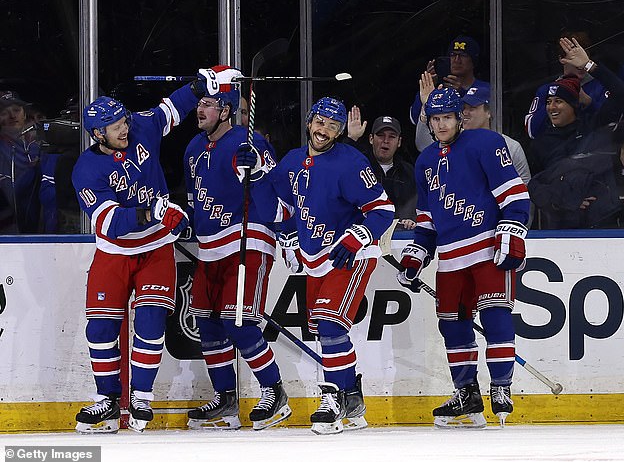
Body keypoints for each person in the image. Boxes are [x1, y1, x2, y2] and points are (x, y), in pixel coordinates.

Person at [71, 67, 219, 433]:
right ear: (97, 134)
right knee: (101, 330)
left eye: (123, 121)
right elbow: (109, 222)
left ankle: (140, 397)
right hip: (114, 254)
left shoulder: (140, 127)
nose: (124, 128)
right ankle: (107, 400)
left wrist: (201, 84)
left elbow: (172, 107)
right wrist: (152, 211)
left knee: (151, 325)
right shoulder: (86, 169)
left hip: (156, 251)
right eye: (116, 126)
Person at [237, 97, 394, 434]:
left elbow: (383, 209)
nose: (325, 130)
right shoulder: (293, 161)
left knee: (330, 325)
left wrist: (359, 236)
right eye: (321, 122)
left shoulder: (350, 162)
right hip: (315, 259)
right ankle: (352, 400)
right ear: (310, 122)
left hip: (349, 254)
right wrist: (255, 176)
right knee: (324, 330)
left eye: (333, 126)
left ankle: (336, 396)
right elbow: (277, 213)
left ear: (339, 132)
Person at [397, 86, 530, 428]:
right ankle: (466, 393)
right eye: (435, 119)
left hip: (487, 248)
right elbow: (426, 220)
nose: (441, 125)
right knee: (452, 327)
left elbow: (514, 195)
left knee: (495, 315)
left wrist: (512, 229)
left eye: (446, 118)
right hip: (451, 259)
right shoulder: (425, 162)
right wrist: (417, 254)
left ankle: (501, 388)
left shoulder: (485, 143)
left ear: (459, 117)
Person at [183, 65, 291, 431]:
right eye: (200, 102)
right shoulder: (193, 148)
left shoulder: (251, 143)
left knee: (238, 321)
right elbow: (195, 199)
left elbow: (280, 193)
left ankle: (275, 392)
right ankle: (226, 401)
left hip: (248, 243)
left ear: (227, 110)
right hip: (209, 250)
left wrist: (257, 168)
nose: (201, 109)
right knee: (208, 325)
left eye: (210, 103)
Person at [528, 37, 624, 229]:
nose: (551, 107)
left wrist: (589, 65)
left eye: (559, 101)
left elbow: (620, 92)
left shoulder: (594, 126)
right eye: (549, 102)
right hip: (560, 228)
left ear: (574, 104)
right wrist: (567, 202)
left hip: (603, 225)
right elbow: (535, 187)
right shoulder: (541, 143)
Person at [346, 106, 416, 229]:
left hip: (401, 239)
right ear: (371, 139)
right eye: (381, 135)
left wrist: (411, 219)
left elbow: (419, 206)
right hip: (363, 236)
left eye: (392, 136)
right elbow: (337, 169)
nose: (386, 141)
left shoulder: (409, 172)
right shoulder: (358, 166)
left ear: (399, 142)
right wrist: (351, 139)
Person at [409, 35, 490, 126]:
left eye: (463, 55)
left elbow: (485, 120)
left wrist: (462, 94)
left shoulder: (486, 89)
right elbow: (415, 119)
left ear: (473, 60)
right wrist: (428, 88)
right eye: (453, 55)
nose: (457, 60)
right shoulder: (440, 90)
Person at [0, 91, 41, 233]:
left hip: (38, 236)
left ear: (24, 114)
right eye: (5, 112)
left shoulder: (41, 147)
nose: (12, 116)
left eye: (17, 110)